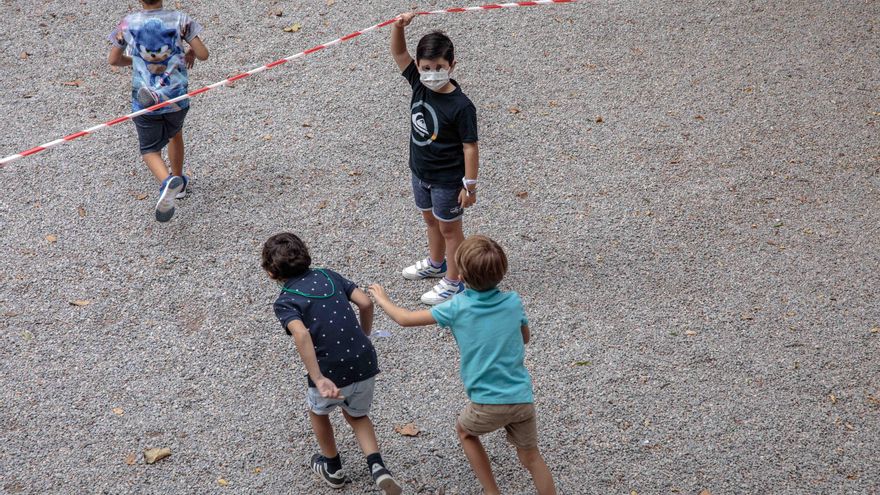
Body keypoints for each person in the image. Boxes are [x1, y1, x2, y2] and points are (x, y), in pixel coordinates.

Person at [369, 236, 557, 495]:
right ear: (502, 272)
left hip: (487, 402)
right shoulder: (513, 301)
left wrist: (382, 299)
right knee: (531, 458)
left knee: (465, 432)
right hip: (522, 398)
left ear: (462, 274)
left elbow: (405, 319)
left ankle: (493, 492)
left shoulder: (456, 307)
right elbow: (525, 338)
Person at [263, 233, 402, 494]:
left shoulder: (285, 301)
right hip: (364, 360)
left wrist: (317, 377)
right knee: (357, 415)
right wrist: (365, 335)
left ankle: (333, 467)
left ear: (271, 272)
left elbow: (302, 334)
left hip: (330, 370)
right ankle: (378, 467)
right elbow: (365, 302)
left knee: (319, 412)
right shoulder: (328, 275)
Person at [390, 12, 480, 305]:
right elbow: (399, 51)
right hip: (420, 173)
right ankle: (436, 262)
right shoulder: (418, 83)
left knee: (450, 229)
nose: (432, 72)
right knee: (430, 220)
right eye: (426, 66)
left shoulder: (462, 106)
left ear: (452, 65)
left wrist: (469, 185)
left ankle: (455, 281)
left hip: (446, 180)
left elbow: (470, 147)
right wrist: (398, 27)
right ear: (418, 65)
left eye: (439, 67)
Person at [107, 0, 208, 222]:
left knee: (149, 149)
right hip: (177, 98)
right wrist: (190, 50)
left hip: (145, 102)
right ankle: (178, 181)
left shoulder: (127, 23)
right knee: (175, 134)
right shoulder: (181, 19)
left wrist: (134, 62)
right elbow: (203, 54)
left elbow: (113, 59)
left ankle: (167, 183)